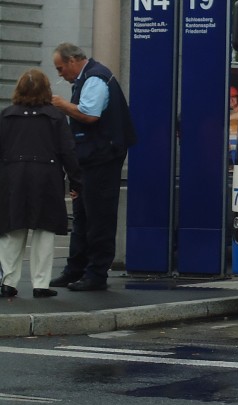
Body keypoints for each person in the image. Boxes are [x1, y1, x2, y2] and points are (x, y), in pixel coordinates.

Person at [48, 43, 137, 292]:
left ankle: (96, 273)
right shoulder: (90, 77)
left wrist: (62, 104)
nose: (60, 74)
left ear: (73, 61)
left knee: (98, 217)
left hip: (101, 158)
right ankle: (76, 269)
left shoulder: (95, 78)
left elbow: (90, 114)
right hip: (91, 158)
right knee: (83, 216)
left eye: (60, 68)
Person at [0, 69, 82, 298]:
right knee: (44, 232)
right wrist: (76, 182)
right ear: (47, 89)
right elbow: (68, 151)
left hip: (12, 176)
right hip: (46, 177)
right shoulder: (55, 117)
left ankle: (8, 281)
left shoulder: (6, 115)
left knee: (11, 230)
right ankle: (40, 283)